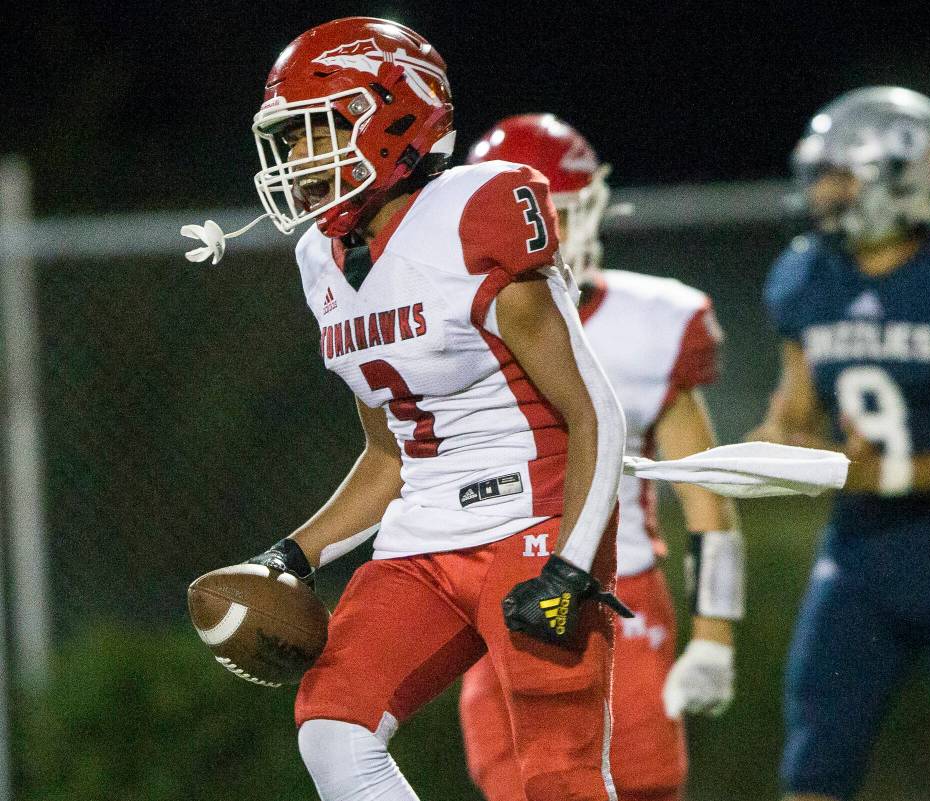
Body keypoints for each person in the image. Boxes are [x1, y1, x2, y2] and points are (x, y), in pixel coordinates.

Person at [199, 17, 634, 801]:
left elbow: (593, 413)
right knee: (333, 728)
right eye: (290, 139)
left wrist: (572, 564)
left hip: (532, 521)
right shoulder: (319, 258)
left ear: (395, 115)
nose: (299, 159)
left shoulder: (478, 211)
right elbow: (387, 456)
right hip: (424, 539)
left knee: (557, 774)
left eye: (315, 131)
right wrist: (288, 557)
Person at [750, 86, 930, 801]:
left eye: (837, 175)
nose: (821, 193)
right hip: (858, 553)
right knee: (814, 767)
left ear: (901, 176)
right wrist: (769, 450)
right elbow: (794, 411)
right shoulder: (808, 277)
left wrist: (881, 476)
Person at [460, 114, 744, 801]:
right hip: (496, 593)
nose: (545, 235)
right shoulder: (446, 327)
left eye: (558, 214)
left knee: (641, 789)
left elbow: (705, 493)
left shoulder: (652, 323)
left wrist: (714, 636)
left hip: (617, 596)